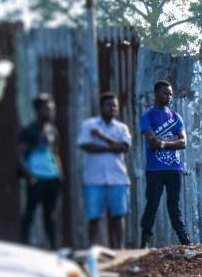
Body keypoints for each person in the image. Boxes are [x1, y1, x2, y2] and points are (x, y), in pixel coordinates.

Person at [139, 80, 190, 247]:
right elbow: (152, 142)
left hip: (174, 169)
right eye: (165, 93)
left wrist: (162, 142)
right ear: (156, 94)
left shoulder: (176, 117)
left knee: (174, 208)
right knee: (152, 205)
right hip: (155, 170)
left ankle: (185, 243)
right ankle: (144, 243)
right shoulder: (147, 116)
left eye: (170, 94)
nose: (168, 97)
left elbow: (183, 143)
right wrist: (171, 139)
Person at [78, 92, 132, 249]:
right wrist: (113, 147)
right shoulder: (89, 125)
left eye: (114, 105)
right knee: (94, 217)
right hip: (94, 179)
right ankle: (92, 248)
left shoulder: (122, 128)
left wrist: (102, 137)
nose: (112, 108)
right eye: (109, 105)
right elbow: (86, 145)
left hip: (118, 177)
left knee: (118, 216)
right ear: (101, 107)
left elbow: (125, 147)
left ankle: (119, 249)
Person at [18, 94, 62, 249]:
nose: (50, 112)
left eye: (51, 109)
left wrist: (59, 174)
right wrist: (29, 175)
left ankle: (53, 247)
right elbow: (20, 155)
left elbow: (55, 152)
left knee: (50, 215)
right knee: (30, 213)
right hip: (36, 177)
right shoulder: (28, 130)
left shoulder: (53, 130)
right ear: (37, 110)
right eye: (46, 109)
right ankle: (23, 246)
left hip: (52, 177)